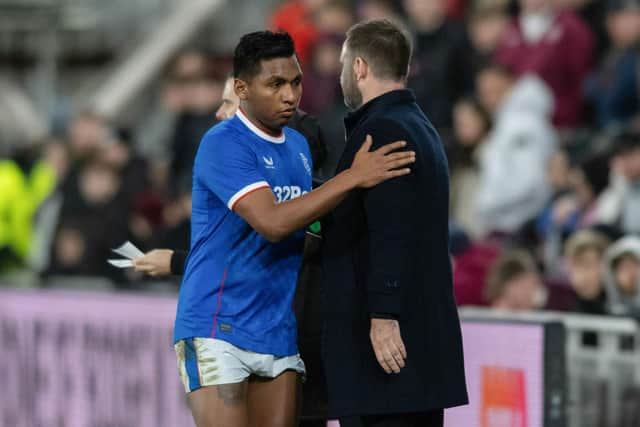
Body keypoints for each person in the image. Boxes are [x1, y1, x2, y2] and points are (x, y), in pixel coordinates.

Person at [172, 31, 415, 427]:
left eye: (295, 81)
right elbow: (272, 222)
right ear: (241, 88)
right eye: (275, 84)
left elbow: (301, 230)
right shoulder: (223, 143)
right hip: (218, 329)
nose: (290, 95)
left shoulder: (298, 148)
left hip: (277, 332)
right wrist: (353, 178)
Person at [321, 19, 467, 427]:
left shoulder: (382, 130)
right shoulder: (420, 125)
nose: (340, 74)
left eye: (343, 64)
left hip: (389, 355)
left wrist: (383, 315)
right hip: (416, 349)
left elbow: (391, 228)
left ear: (361, 68)